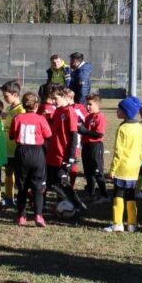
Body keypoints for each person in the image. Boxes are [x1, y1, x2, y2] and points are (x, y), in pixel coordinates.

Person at [9, 92, 52, 227]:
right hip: (37, 153)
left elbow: (12, 135)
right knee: (38, 187)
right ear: (37, 105)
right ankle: (38, 216)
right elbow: (48, 135)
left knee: (22, 186)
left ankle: (21, 216)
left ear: (23, 104)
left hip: (22, 151)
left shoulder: (17, 118)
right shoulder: (40, 119)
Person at [105, 96, 142, 233]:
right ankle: (132, 224)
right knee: (131, 195)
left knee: (118, 194)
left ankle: (117, 223)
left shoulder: (122, 128)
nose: (117, 111)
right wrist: (139, 163)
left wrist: (112, 169)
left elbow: (118, 152)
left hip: (122, 168)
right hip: (134, 168)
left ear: (125, 112)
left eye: (119, 109)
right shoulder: (140, 127)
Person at [47, 85, 87, 216]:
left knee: (62, 182)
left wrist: (70, 157)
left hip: (63, 155)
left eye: (55, 98)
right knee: (52, 182)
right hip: (52, 154)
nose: (53, 102)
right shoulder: (57, 111)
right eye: (51, 99)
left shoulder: (70, 112)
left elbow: (73, 135)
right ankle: (62, 205)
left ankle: (77, 205)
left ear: (64, 97)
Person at [79, 92, 109, 203]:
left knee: (97, 172)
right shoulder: (88, 117)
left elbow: (99, 134)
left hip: (95, 147)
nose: (87, 106)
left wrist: (85, 131)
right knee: (88, 172)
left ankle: (104, 195)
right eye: (87, 104)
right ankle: (91, 194)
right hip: (86, 146)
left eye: (90, 104)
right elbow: (85, 131)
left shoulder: (100, 117)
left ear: (97, 105)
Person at [0, 80, 25, 206]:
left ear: (15, 94)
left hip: (17, 148)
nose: (4, 98)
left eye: (6, 96)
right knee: (8, 173)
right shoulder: (10, 108)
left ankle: (21, 198)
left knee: (20, 176)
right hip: (7, 149)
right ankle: (9, 198)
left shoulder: (22, 110)